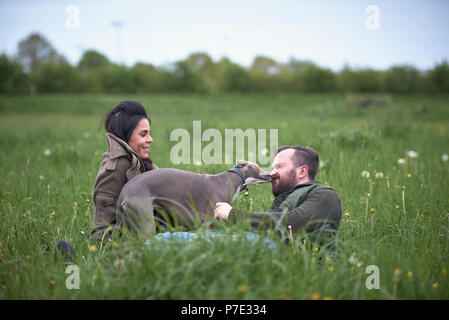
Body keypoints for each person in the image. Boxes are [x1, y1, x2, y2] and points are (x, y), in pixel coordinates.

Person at [214, 145, 342, 250]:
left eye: (280, 166)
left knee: (201, 241)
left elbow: (293, 222)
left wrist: (233, 215)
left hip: (300, 267)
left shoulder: (325, 195)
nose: (272, 173)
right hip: (264, 252)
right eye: (272, 168)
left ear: (302, 171)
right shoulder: (284, 200)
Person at [90, 100, 158, 241]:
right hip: (128, 247)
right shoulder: (115, 168)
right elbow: (101, 231)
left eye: (149, 133)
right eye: (143, 134)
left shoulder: (140, 162)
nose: (150, 139)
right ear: (126, 135)